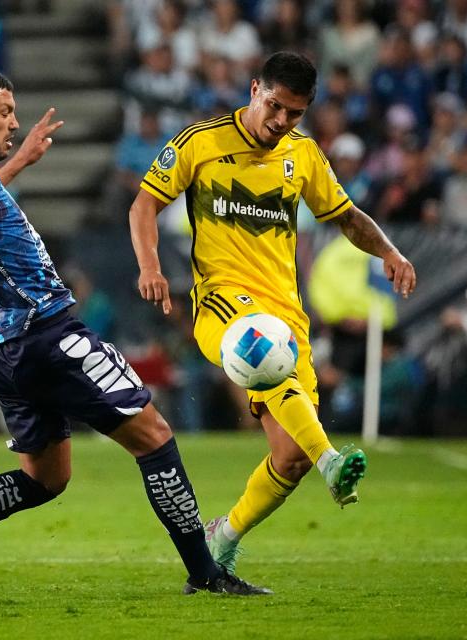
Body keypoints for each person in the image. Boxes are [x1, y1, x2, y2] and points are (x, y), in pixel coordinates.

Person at [0, 67, 269, 599]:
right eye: (4, 113)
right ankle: (206, 572)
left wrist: (18, 162)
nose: (14, 121)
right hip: (48, 336)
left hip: (6, 349)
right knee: (155, 438)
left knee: (44, 479)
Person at [127, 52, 416, 578]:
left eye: (295, 114)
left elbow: (346, 216)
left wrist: (390, 253)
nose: (281, 121)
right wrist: (151, 265)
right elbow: (144, 204)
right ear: (255, 88)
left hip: (287, 314)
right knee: (265, 360)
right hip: (222, 302)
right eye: (275, 106)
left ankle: (224, 537)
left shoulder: (303, 155)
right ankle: (333, 461)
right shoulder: (201, 141)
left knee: (289, 457)